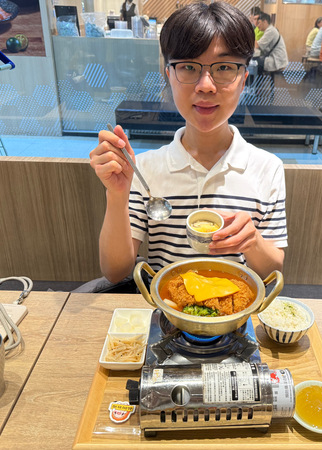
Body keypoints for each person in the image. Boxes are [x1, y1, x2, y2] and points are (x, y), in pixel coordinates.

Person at [89, 2, 287, 284]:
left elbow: (272, 273)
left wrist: (252, 241)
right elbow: (115, 271)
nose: (206, 85)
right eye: (189, 67)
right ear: (169, 75)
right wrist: (117, 195)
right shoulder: (144, 169)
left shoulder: (268, 168)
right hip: (166, 308)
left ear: (243, 80)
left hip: (237, 307)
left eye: (224, 67)